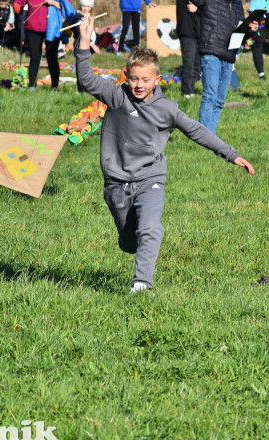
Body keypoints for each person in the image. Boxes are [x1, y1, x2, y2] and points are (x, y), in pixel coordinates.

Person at [76, 17, 255, 293]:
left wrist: (231, 154)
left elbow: (197, 130)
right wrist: (84, 42)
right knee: (129, 243)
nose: (138, 85)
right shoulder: (116, 97)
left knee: (150, 229)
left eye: (145, 80)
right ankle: (132, 243)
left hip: (151, 179)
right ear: (126, 76)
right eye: (133, 78)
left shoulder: (167, 109)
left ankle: (141, 284)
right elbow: (86, 79)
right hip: (116, 182)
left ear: (156, 79)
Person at [189, 0, 259, 134]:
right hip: (211, 51)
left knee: (220, 100)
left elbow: (240, 33)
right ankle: (204, 137)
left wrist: (250, 29)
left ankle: (210, 136)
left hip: (229, 54)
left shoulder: (236, 3)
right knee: (210, 96)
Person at [13, 0, 72, 90]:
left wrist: (54, 3)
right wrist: (17, 5)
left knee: (52, 57)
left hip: (52, 28)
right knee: (35, 57)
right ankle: (32, 86)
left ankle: (55, 86)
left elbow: (67, 6)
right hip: (33, 27)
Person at [173, 0, 201, 98]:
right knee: (188, 62)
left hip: (201, 30)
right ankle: (187, 91)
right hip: (186, 30)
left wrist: (197, 9)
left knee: (198, 64)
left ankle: (194, 87)